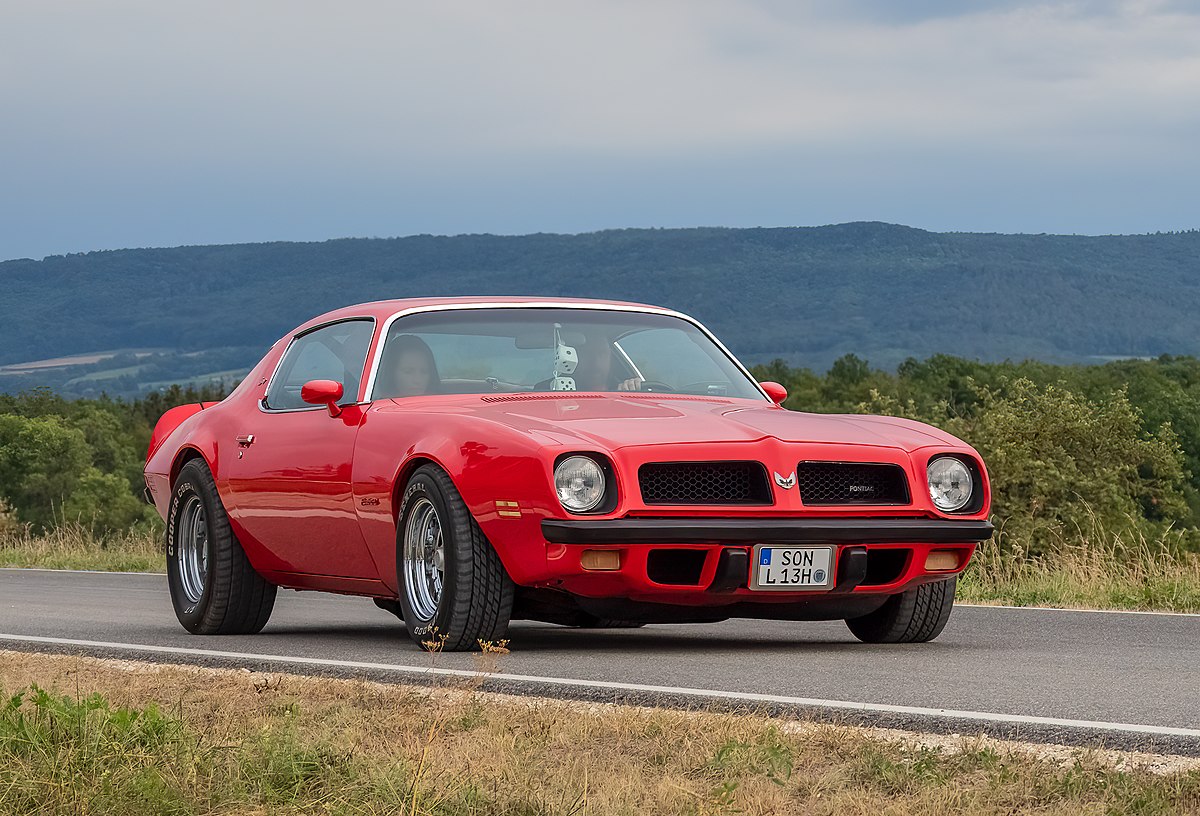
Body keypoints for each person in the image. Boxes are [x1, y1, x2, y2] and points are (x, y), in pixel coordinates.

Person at [553, 333, 643, 392]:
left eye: (602, 354)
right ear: (573, 357)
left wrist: (635, 388)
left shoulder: (626, 389)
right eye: (587, 354)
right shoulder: (550, 391)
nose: (595, 362)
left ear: (610, 358)